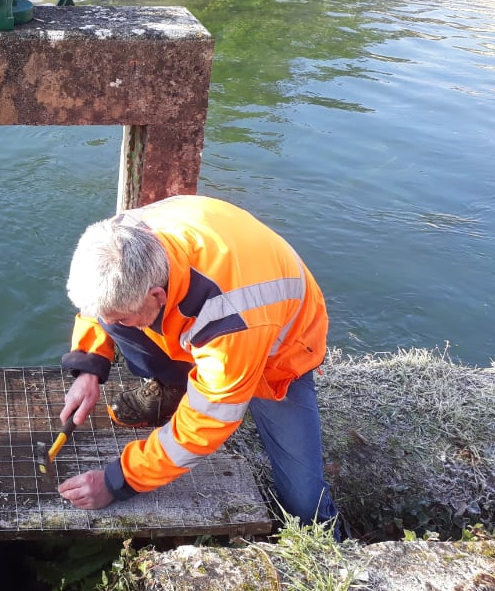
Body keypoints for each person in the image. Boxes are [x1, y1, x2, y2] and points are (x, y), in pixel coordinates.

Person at [56, 194, 340, 532]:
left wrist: (117, 481)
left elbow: (207, 423)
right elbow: (100, 308)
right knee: (116, 317)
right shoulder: (120, 237)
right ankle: (174, 386)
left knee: (304, 504)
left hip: (276, 354)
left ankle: (330, 543)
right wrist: (89, 365)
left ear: (156, 297)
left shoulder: (229, 320)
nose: (109, 322)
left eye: (122, 316)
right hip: (209, 300)